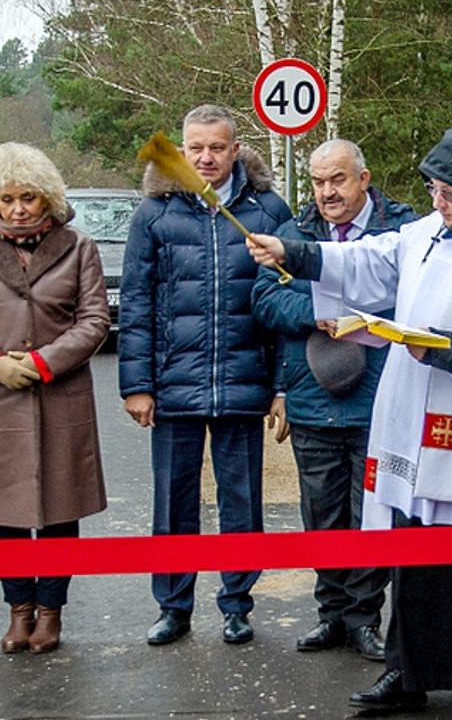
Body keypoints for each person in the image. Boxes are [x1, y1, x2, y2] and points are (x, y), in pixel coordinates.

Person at [247, 124, 452, 720]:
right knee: (414, 547)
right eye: (432, 188)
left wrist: (451, 350)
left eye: (448, 191)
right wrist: (293, 252)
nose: (436, 201)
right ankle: (407, 671)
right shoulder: (426, 233)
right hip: (418, 421)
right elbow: (367, 261)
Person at [119, 104, 292, 646]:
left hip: (244, 383)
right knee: (173, 503)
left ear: (235, 149)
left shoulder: (266, 210)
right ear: (182, 150)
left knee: (241, 502)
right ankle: (174, 606)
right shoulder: (155, 213)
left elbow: (287, 303)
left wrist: (281, 384)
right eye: (195, 148)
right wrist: (138, 384)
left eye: (217, 147)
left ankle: (237, 603)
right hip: (174, 386)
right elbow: (137, 304)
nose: (206, 157)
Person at [0, 142, 109, 654]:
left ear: (46, 198)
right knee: (5, 511)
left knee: (60, 511)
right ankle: (19, 611)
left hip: (60, 395)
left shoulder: (78, 246)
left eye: (28, 198)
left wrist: (41, 362)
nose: (18, 208)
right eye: (7, 198)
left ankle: (51, 612)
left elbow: (95, 319)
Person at [250, 139, 415, 661]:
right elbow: (264, 297)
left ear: (364, 179)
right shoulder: (293, 233)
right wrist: (315, 313)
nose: (327, 193)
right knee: (321, 513)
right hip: (311, 392)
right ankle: (332, 615)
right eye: (319, 182)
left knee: (370, 512)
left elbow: (418, 295)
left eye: (338, 180)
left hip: (381, 395)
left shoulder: (402, 231)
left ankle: (366, 618)